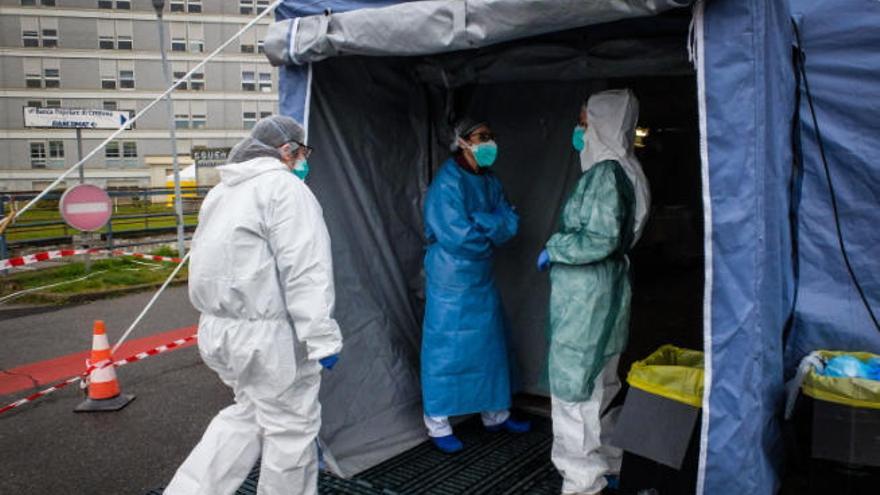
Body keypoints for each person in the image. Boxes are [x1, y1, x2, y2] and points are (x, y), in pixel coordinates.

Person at [165, 115, 343, 495]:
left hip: (220, 331)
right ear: (286, 150)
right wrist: (322, 338)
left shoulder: (222, 193)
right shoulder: (285, 189)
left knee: (247, 416)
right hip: (270, 338)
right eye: (302, 153)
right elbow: (306, 269)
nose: (303, 162)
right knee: (291, 429)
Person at [537, 89, 650, 495]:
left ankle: (582, 481)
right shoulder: (629, 169)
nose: (579, 131)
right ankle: (609, 461)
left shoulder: (605, 173)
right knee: (602, 382)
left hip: (587, 296)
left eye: (584, 123)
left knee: (573, 390)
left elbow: (599, 238)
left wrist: (555, 248)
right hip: (611, 290)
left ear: (602, 124)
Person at [421, 118, 531, 454]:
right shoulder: (447, 183)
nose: (490, 143)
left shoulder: (491, 181)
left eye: (491, 136)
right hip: (450, 278)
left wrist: (484, 222)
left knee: (489, 347)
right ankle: (437, 424)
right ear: (462, 141)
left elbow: (511, 223)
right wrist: (491, 224)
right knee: (446, 350)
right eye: (482, 137)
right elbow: (459, 237)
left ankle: (496, 414)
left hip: (480, 277)